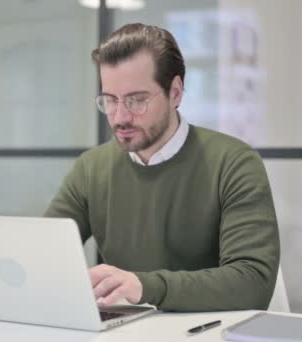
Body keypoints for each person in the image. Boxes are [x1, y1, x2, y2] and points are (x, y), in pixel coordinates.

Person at [44, 23, 279, 312]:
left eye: (137, 100)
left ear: (176, 93)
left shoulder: (234, 163)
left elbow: (253, 283)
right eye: (110, 100)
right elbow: (44, 252)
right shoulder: (92, 168)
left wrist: (145, 287)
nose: (120, 117)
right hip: (125, 332)